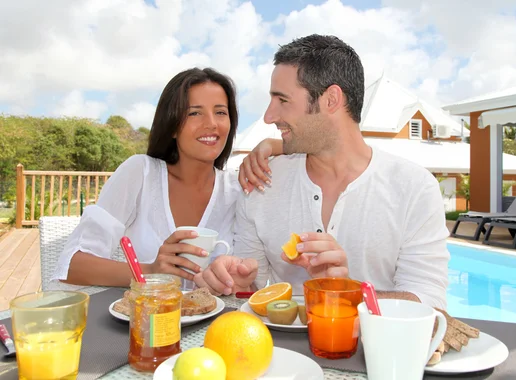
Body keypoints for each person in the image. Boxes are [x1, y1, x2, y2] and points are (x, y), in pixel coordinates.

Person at [194, 35, 450, 309]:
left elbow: (430, 304)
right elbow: (252, 293)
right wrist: (234, 285)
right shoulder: (260, 184)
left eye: (282, 100)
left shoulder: (414, 188)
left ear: (331, 100)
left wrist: (347, 292)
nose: (269, 116)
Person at [51, 67, 281, 289]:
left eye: (220, 112)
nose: (211, 123)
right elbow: (72, 265)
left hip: (214, 326)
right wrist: (151, 271)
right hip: (145, 324)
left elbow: (248, 287)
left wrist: (270, 144)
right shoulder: (140, 173)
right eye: (194, 113)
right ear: (172, 125)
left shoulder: (237, 190)